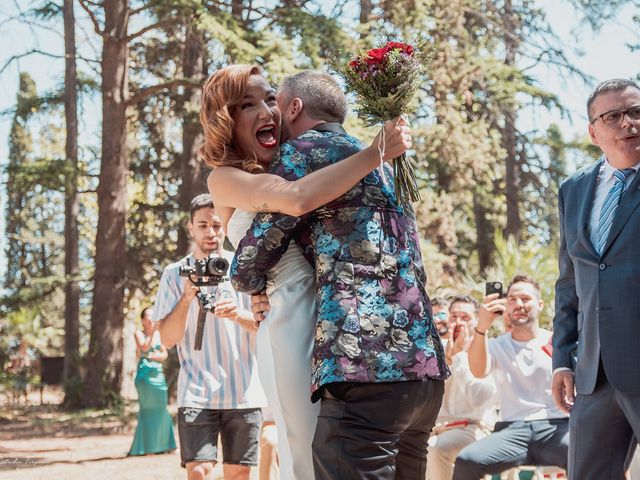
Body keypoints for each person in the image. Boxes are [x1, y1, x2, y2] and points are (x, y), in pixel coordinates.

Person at [230, 70, 448, 480]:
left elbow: (248, 262)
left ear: (293, 108)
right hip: (424, 373)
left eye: (277, 103)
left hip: (365, 370)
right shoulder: (391, 165)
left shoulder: (305, 153)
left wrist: (255, 287)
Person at [552, 78, 640, 480]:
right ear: (593, 131)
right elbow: (569, 283)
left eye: (636, 112)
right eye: (614, 116)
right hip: (594, 374)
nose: (628, 123)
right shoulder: (574, 189)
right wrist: (561, 361)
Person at [154, 194, 264, 480]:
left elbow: (266, 326)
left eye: (216, 225)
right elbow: (166, 339)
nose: (210, 232)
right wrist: (187, 297)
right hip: (196, 390)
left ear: (225, 226)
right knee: (200, 472)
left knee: (239, 474)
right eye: (202, 225)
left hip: (243, 390)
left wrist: (237, 316)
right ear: (191, 228)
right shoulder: (173, 274)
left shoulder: (244, 266)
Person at [454, 275, 569, 479]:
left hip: (557, 427)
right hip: (512, 432)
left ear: (540, 304)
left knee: (589, 453)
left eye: (525, 298)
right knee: (467, 460)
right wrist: (482, 326)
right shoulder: (496, 345)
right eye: (512, 299)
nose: (518, 304)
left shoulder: (556, 342)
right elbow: (478, 371)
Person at [426, 296, 497, 480]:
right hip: (435, 430)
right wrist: (447, 359)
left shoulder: (486, 352)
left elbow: (478, 399)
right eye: (454, 316)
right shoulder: (435, 350)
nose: (458, 322)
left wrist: (458, 359)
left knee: (436, 448)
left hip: (472, 429)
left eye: (465, 318)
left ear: (476, 322)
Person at [128, 307, 177, 456]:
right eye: (148, 316)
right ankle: (148, 447)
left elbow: (164, 354)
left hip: (158, 375)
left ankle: (167, 445)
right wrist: (152, 333)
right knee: (147, 410)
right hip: (145, 376)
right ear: (143, 320)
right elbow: (144, 347)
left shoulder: (159, 334)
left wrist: (157, 356)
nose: (151, 318)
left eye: (153, 315)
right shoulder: (139, 334)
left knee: (162, 409)